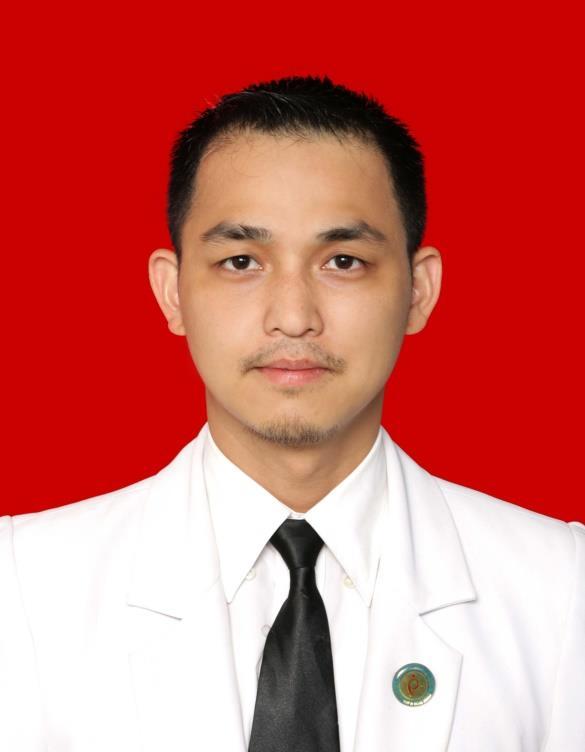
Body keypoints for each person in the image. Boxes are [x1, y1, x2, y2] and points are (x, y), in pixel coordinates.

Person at [0, 74, 583, 752]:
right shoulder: (22, 583)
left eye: (343, 261)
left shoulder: (562, 588)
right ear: (173, 291)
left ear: (418, 290)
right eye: (241, 261)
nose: (294, 317)